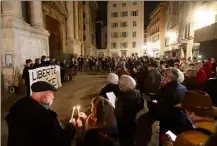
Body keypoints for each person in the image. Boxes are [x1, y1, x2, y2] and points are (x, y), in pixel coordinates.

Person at [5, 81, 79, 146]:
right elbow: (61, 141)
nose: (53, 97)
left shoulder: (18, 106)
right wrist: (71, 126)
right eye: (52, 94)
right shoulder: (46, 118)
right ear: (44, 98)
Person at [136, 68, 190, 146]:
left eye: (163, 76)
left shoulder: (168, 89)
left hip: (169, 119)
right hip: (178, 117)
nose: (161, 78)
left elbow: (161, 108)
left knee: (143, 121)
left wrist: (152, 102)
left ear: (168, 78)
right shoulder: (182, 87)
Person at [115, 75, 143, 146]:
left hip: (124, 124)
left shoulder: (122, 97)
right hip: (134, 121)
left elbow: (118, 113)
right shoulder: (137, 92)